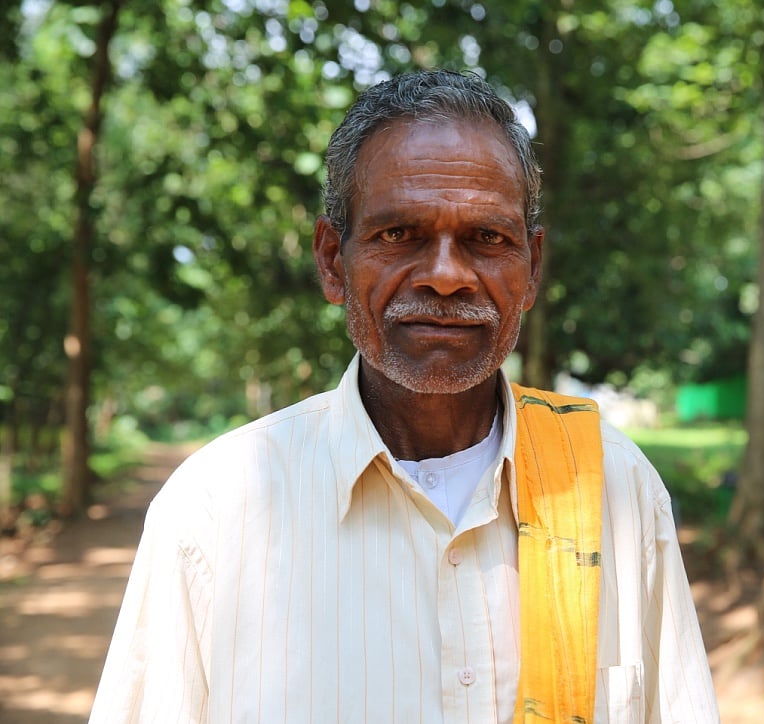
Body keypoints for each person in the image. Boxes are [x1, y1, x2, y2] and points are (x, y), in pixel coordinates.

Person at [90, 70, 718, 723]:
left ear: (531, 270)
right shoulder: (214, 512)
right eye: (399, 235)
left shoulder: (615, 490)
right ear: (334, 261)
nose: (447, 276)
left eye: (486, 239)